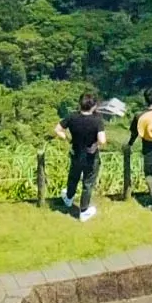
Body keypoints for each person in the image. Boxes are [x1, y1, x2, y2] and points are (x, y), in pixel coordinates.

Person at [56, 92, 107, 220]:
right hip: (90, 154)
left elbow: (57, 129)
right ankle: (83, 210)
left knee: (73, 176)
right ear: (94, 106)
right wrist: (96, 145)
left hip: (76, 152)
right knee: (88, 182)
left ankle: (68, 198)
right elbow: (102, 140)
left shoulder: (72, 117)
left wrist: (67, 138)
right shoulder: (97, 120)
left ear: (80, 104)